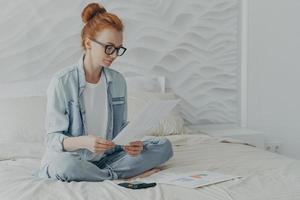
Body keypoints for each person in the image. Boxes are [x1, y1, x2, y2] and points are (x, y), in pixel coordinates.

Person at [37, 2, 173, 182]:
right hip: (73, 159)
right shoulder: (62, 82)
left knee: (164, 146)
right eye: (109, 47)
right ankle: (116, 174)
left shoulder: (117, 81)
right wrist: (85, 142)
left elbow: (121, 128)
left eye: (118, 49)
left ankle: (103, 174)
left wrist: (132, 143)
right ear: (88, 43)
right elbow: (52, 139)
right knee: (65, 167)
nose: (114, 55)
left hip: (108, 157)